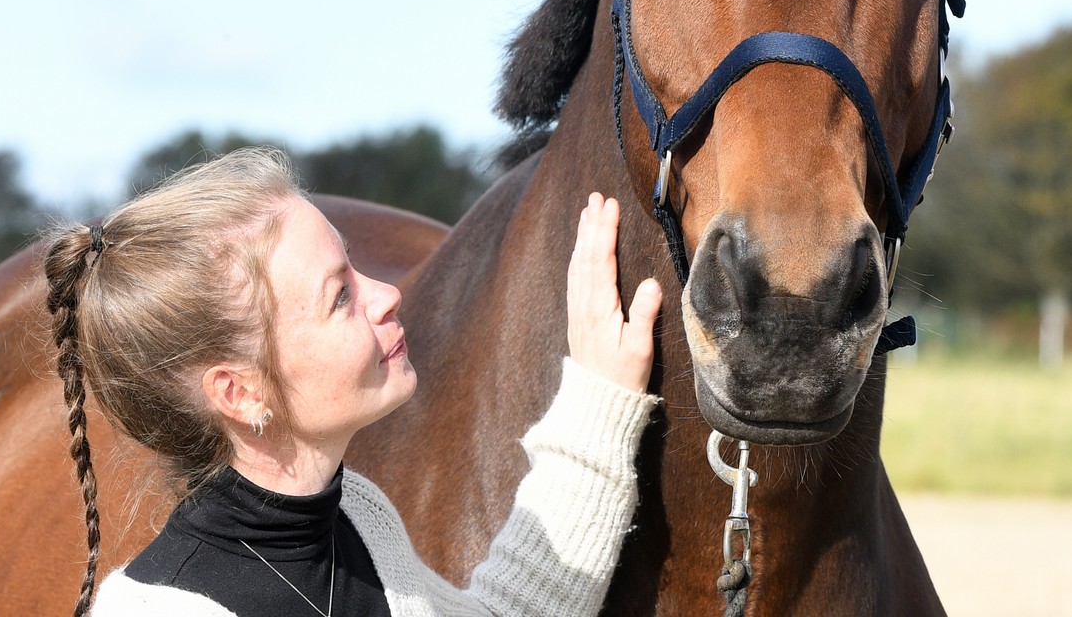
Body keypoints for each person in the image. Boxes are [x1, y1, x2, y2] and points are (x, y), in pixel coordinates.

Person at [43, 147, 663, 617]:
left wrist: (598, 395)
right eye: (340, 295)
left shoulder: (359, 520)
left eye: (355, 268)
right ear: (241, 393)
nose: (387, 295)